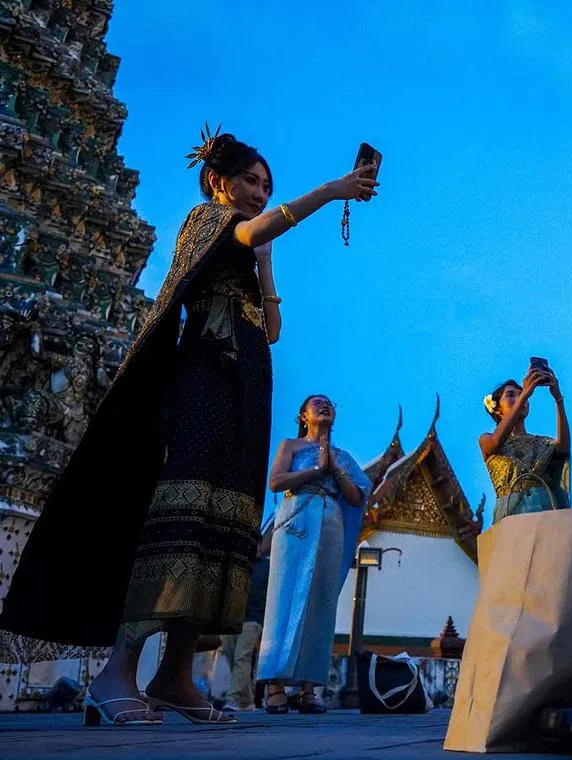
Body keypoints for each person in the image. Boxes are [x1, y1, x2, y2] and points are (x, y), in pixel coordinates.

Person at [0, 128, 379, 727]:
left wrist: (267, 265)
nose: (257, 191)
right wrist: (332, 190)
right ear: (218, 182)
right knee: (181, 516)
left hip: (244, 394)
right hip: (202, 387)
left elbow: (271, 328)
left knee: (223, 531)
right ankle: (116, 672)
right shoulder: (206, 221)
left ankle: (175, 674)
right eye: (250, 181)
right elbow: (252, 229)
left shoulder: (245, 245)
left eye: (265, 186)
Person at [257, 394, 371, 715]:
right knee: (283, 597)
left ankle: (309, 688)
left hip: (330, 521)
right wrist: (315, 470)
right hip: (296, 518)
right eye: (316, 403)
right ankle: (275, 685)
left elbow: (355, 497)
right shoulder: (291, 447)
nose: (324, 406)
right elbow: (276, 482)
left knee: (322, 602)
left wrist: (335, 469)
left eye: (329, 403)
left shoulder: (343, 457)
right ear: (303, 415)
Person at [480, 364, 571, 525]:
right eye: (510, 395)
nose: (519, 399)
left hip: (544, 507)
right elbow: (495, 442)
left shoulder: (542, 442)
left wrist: (558, 398)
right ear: (498, 410)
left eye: (521, 395)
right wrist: (525, 394)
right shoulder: (487, 439)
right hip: (511, 511)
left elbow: (563, 448)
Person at [221, 529, 272, 712]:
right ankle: (247, 699)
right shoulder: (234, 567)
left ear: (259, 547)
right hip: (230, 618)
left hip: (252, 619)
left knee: (241, 657)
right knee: (231, 655)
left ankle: (233, 698)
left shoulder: (267, 568)